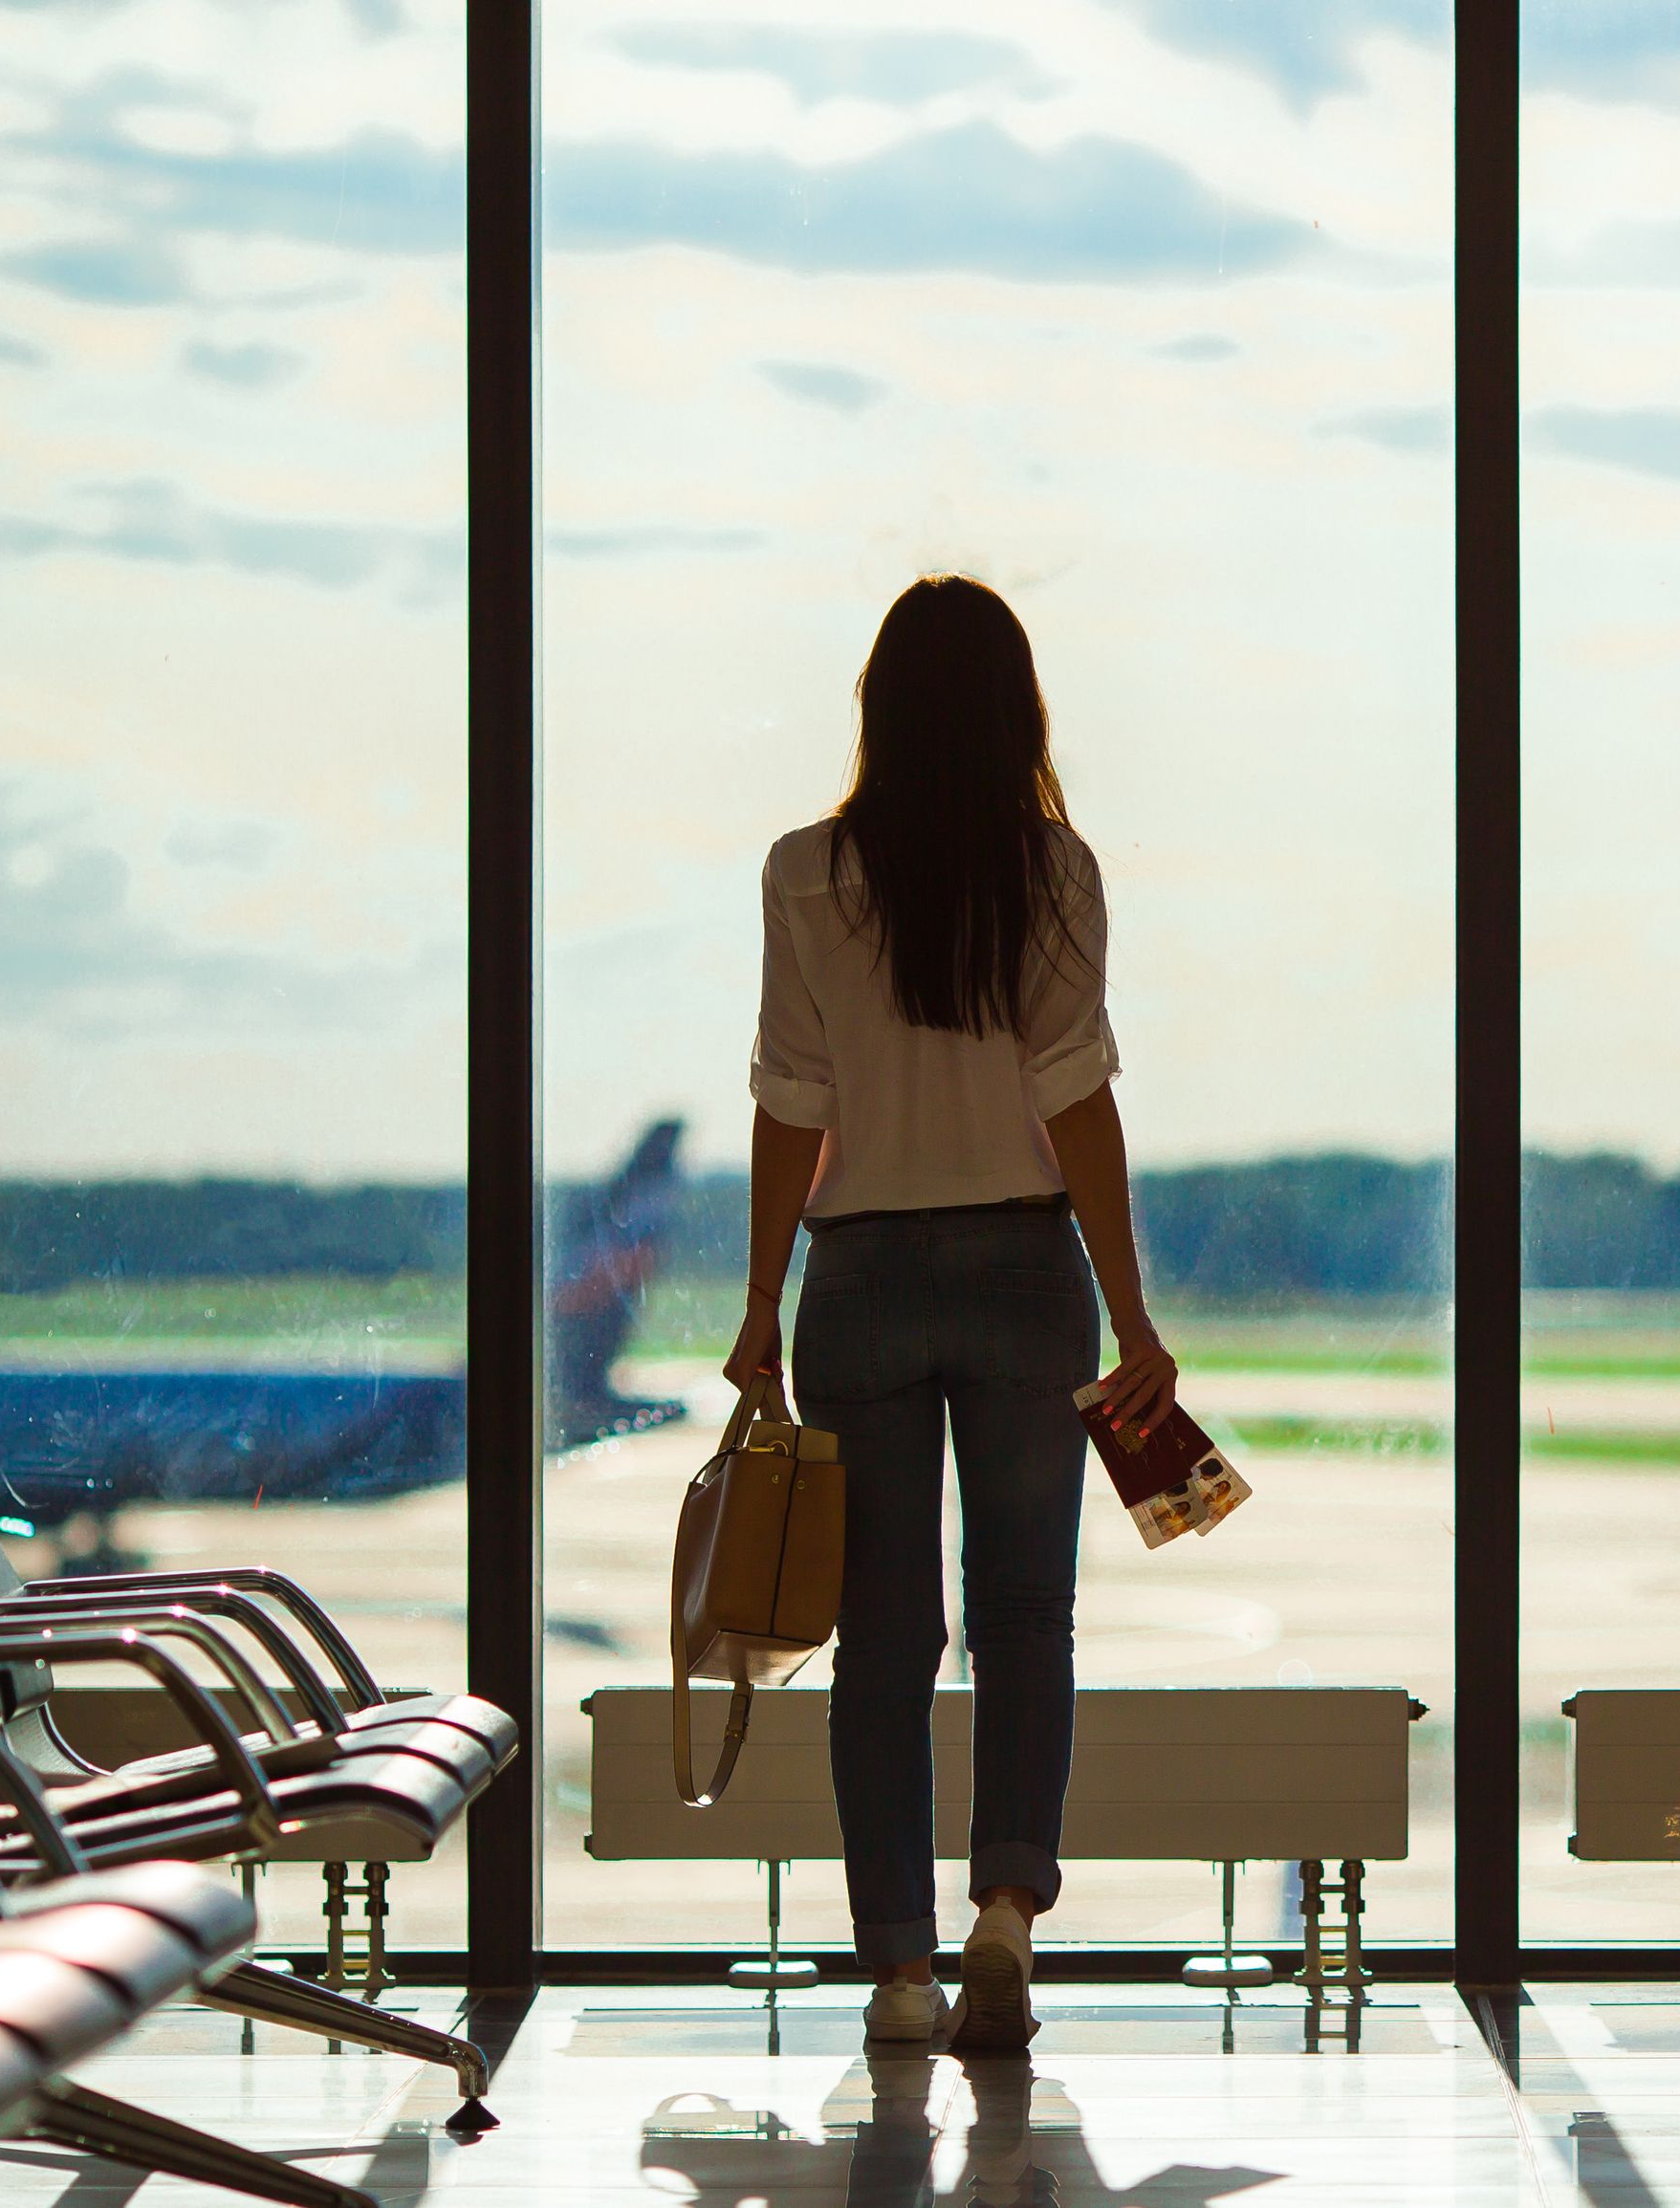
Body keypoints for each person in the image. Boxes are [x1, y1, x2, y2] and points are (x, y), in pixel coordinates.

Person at [725, 574, 1178, 2053]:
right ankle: (1003, 1915)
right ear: (1014, 713)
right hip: (1021, 1272)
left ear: (878, 707)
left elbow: (791, 1108)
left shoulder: (804, 872)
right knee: (1025, 1613)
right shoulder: (1055, 871)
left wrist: (757, 1305)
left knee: (884, 1637)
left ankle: (902, 1969)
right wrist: (1132, 1314)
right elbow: (1077, 1100)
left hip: (858, 1277)